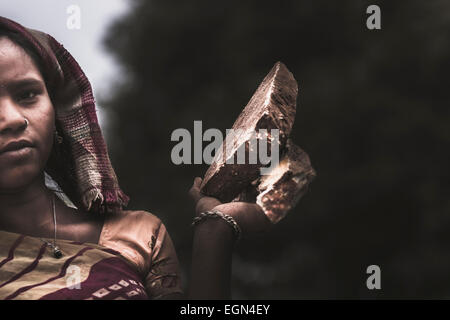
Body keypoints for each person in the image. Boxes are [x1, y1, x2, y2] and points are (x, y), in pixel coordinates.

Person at [0, 16, 271, 300]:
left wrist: (215, 230)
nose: (12, 119)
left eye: (28, 94)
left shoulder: (139, 236)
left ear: (57, 112)